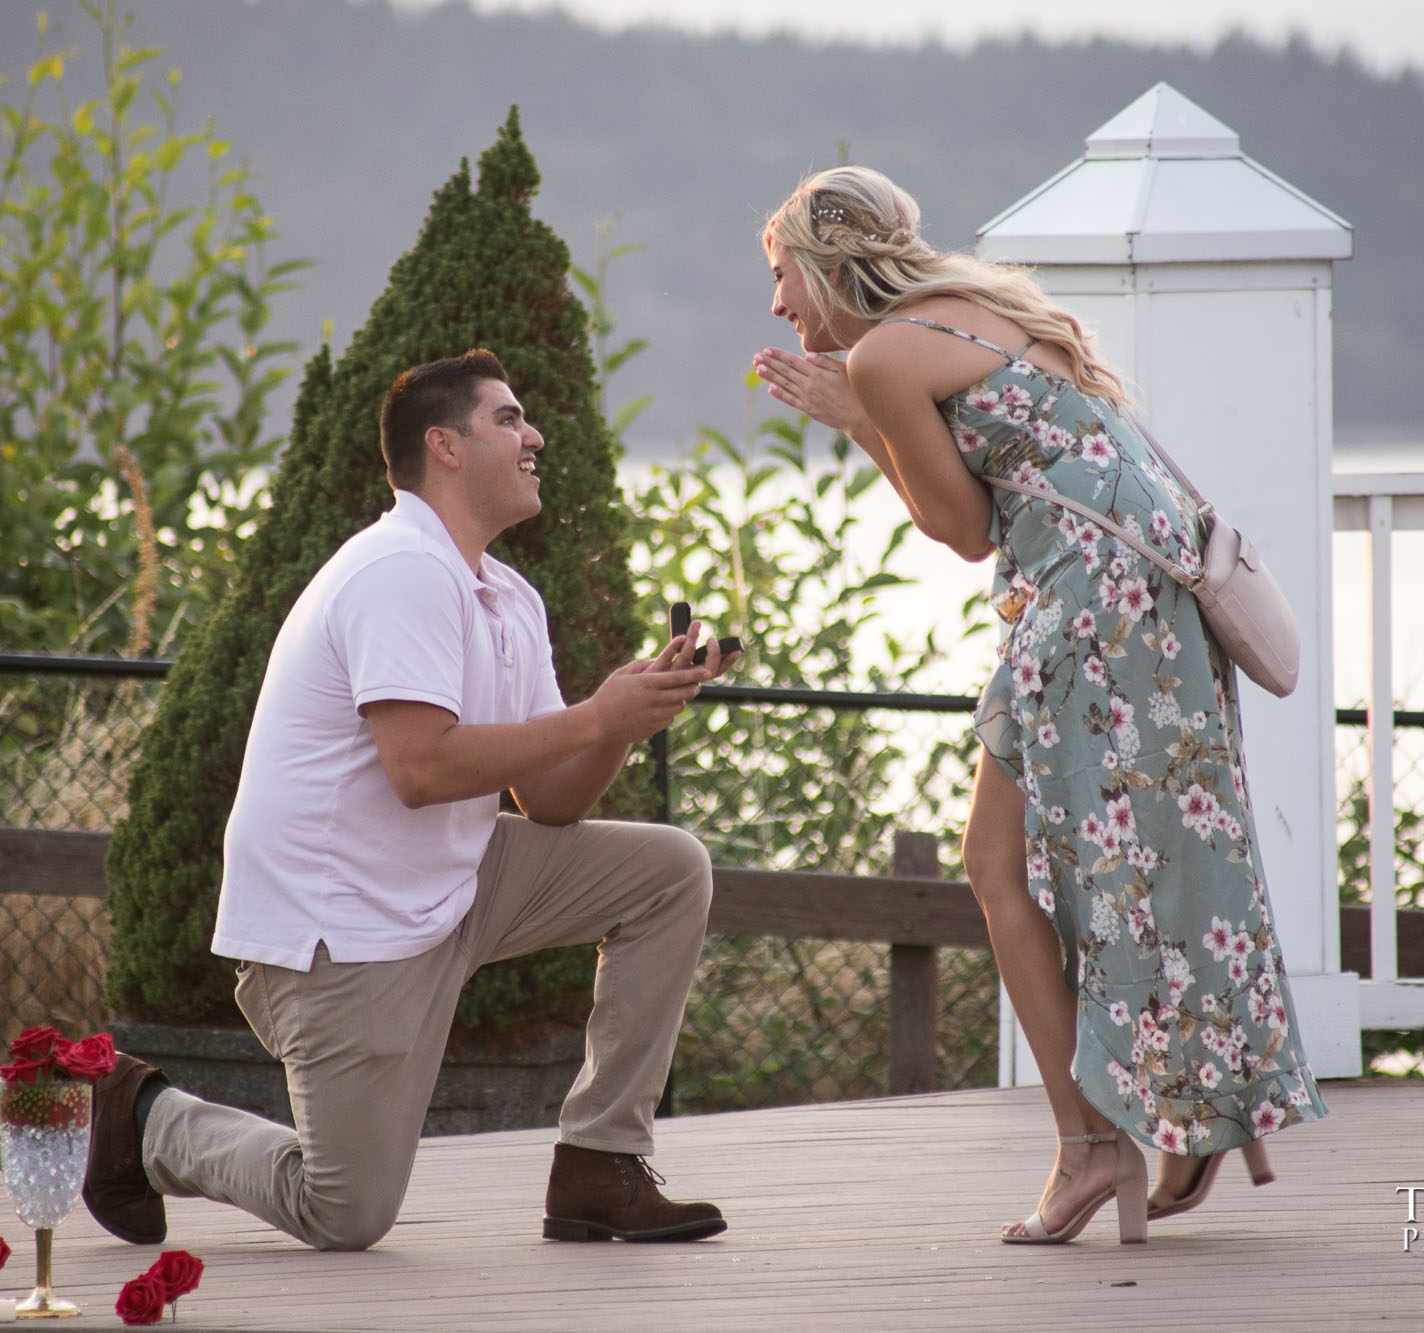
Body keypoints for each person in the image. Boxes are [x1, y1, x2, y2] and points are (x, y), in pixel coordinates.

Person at [753, 167, 1324, 1246]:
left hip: (1079, 617)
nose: (777, 306)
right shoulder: (991, 309)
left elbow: (959, 528)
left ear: (827, 269)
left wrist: (856, 418)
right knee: (1156, 860)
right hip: (1146, 605)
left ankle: (1089, 1144)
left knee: (997, 865)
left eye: (781, 277)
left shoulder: (880, 357)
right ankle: (1191, 1117)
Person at [83, 349, 739, 1252]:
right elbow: (420, 769)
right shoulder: (398, 570)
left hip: (456, 885)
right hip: (341, 924)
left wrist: (621, 720)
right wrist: (596, 712)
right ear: (445, 446)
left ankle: (600, 1162)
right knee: (344, 1210)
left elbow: (546, 802)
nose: (535, 434)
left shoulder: (507, 596)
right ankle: (145, 1114)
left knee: (669, 869)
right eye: (509, 419)